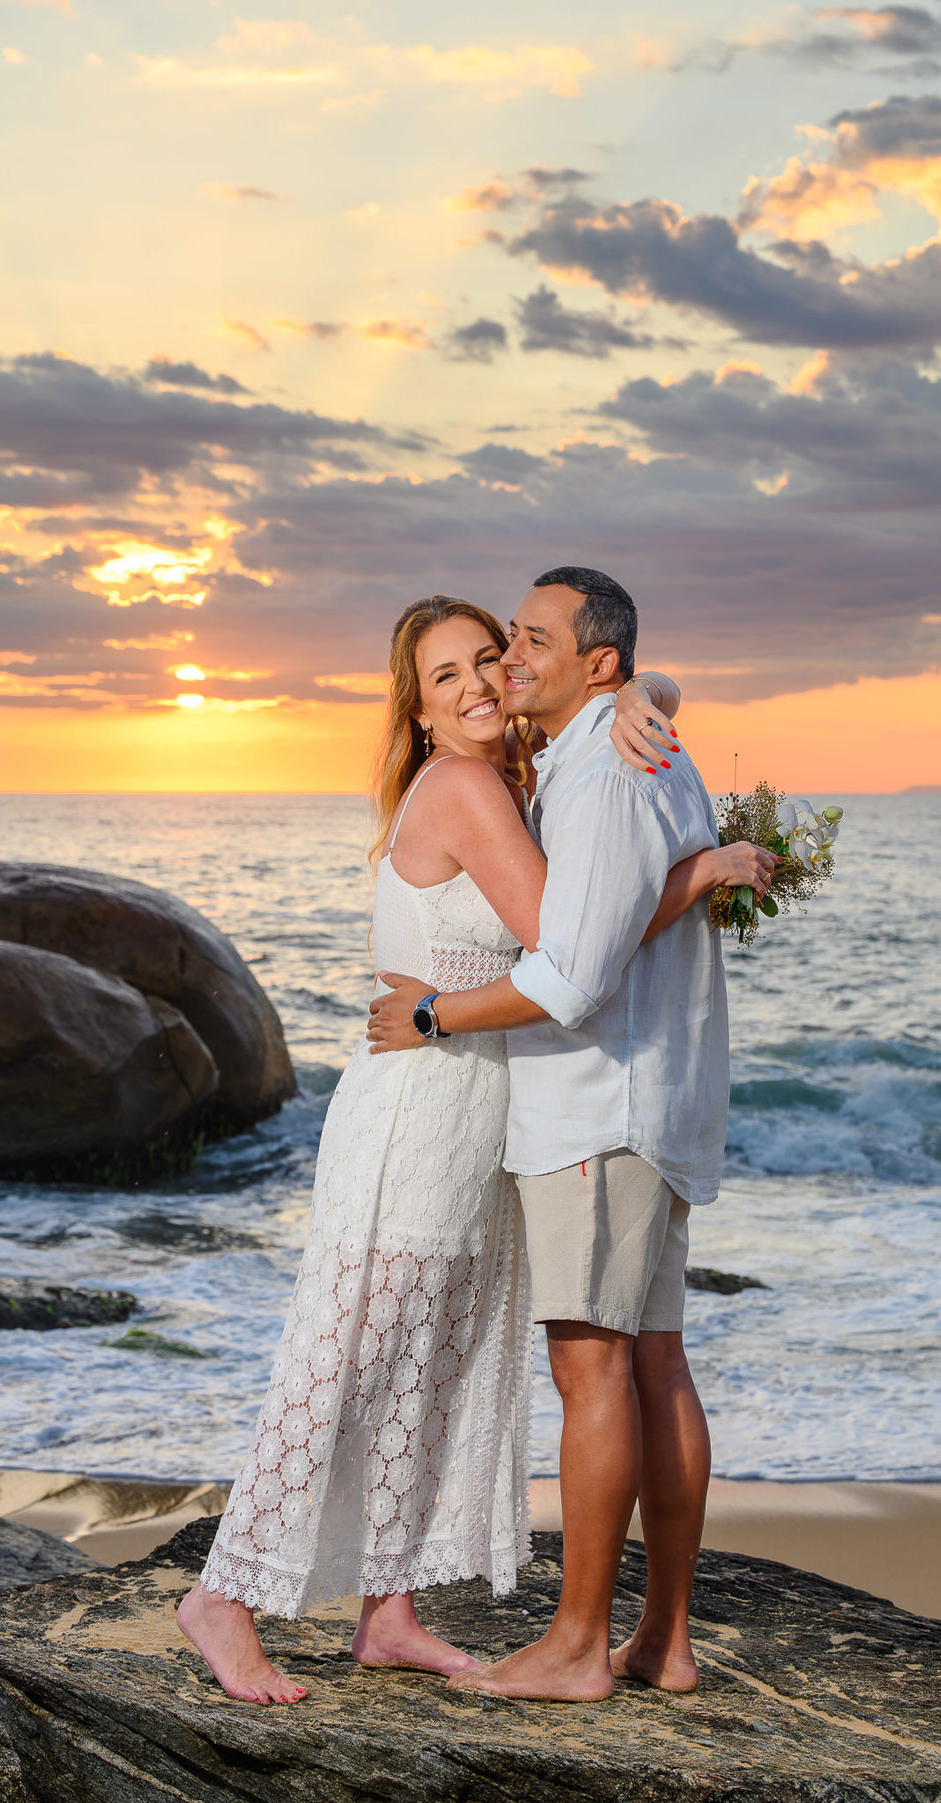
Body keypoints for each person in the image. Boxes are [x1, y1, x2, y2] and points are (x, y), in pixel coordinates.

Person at [179, 593, 771, 1706]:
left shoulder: (522, 780)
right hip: (417, 1110)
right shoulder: (460, 787)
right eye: (444, 676)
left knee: (430, 1362)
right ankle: (223, 1597)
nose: (477, 686)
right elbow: (572, 946)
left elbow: (608, 733)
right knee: (349, 1359)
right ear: (419, 709)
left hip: (478, 1112)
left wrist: (648, 690)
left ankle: (388, 1609)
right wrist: (701, 871)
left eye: (488, 660)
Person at [369, 568, 771, 1703]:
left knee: (591, 1366)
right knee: (652, 1361)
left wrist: (436, 1012)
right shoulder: (640, 747)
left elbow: (572, 977)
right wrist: (693, 862)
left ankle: (579, 1646)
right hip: (658, 1100)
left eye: (529, 641)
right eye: (502, 647)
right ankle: (665, 1642)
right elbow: (613, 926)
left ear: (597, 664)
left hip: (598, 1107)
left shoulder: (599, 772)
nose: (509, 662)